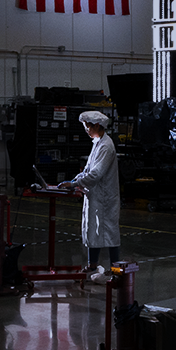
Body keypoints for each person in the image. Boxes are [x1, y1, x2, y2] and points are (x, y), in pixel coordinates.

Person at [69, 110, 120, 281]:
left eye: (87, 127)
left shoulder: (106, 146)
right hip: (96, 196)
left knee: (110, 234)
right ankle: (92, 265)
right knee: (94, 231)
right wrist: (75, 179)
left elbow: (96, 174)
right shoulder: (97, 142)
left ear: (97, 125)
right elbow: (88, 169)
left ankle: (116, 271)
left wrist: (75, 184)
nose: (86, 130)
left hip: (105, 198)